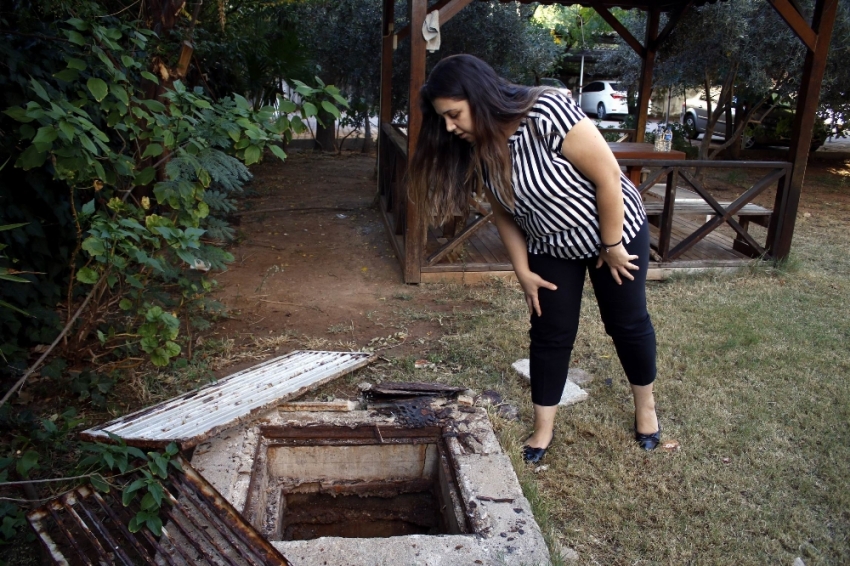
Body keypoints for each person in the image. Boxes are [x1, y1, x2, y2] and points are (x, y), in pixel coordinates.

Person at [408, 54, 661, 463]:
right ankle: (543, 430)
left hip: (613, 232)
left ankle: (646, 411)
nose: (450, 127)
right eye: (444, 119)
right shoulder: (481, 143)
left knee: (627, 322)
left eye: (454, 114)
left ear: (479, 96)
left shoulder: (546, 111)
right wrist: (522, 270)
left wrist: (612, 246)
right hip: (551, 243)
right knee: (550, 332)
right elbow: (504, 211)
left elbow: (608, 177)